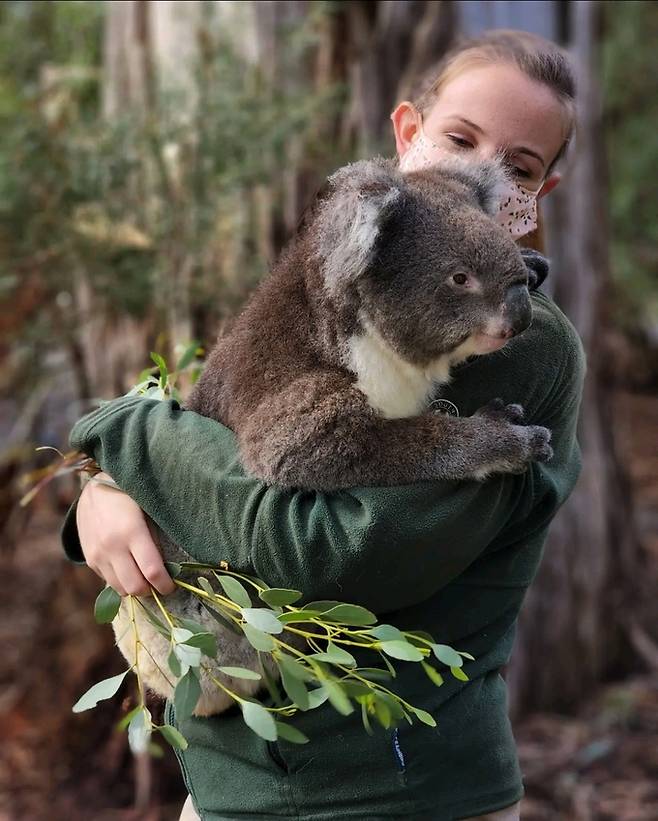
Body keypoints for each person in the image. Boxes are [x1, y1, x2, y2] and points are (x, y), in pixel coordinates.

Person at [62, 29, 585, 821]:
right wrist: (101, 495)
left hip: (406, 793)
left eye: (520, 166)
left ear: (540, 192)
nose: (485, 169)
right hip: (234, 785)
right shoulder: (343, 278)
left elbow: (312, 552)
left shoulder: (513, 343)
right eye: (461, 138)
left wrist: (125, 434)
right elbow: (225, 416)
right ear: (408, 131)